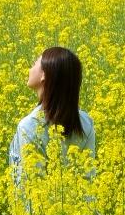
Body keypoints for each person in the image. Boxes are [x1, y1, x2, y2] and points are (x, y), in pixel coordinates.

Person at [9, 46, 96, 206]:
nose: (30, 68)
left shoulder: (28, 127)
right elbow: (88, 182)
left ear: (44, 76)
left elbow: (31, 190)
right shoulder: (86, 123)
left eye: (35, 63)